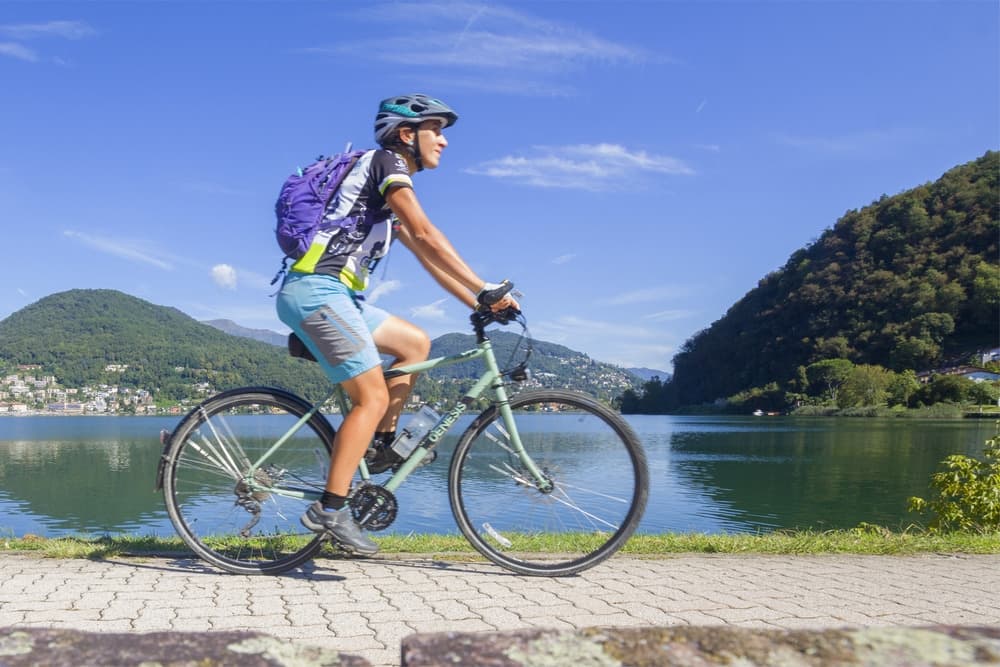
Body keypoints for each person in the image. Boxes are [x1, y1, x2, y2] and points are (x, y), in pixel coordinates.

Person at [275, 94, 518, 555]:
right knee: (372, 394)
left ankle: (380, 443)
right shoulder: (387, 163)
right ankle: (331, 508)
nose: (444, 142)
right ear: (408, 135)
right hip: (315, 292)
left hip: (337, 296)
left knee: (414, 343)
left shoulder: (380, 199)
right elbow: (428, 232)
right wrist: (486, 285)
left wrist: (478, 303)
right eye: (437, 131)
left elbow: (427, 256)